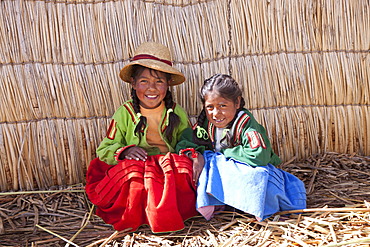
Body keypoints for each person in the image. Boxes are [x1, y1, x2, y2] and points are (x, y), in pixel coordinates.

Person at [85, 42, 198, 233]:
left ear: (168, 84)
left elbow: (186, 140)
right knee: (135, 175)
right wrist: (126, 151)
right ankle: (140, 215)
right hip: (138, 164)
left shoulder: (176, 112)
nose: (151, 88)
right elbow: (104, 149)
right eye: (144, 81)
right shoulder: (124, 113)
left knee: (184, 169)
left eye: (159, 81)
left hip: (165, 165)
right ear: (133, 83)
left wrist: (186, 154)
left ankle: (168, 214)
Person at [176, 73, 306, 221]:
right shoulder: (205, 123)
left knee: (259, 177)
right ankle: (222, 204)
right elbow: (185, 142)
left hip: (247, 171)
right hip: (226, 175)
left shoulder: (245, 123)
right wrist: (195, 155)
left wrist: (224, 153)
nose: (216, 113)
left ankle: (253, 207)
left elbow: (259, 156)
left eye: (223, 106)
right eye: (210, 107)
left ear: (237, 103)